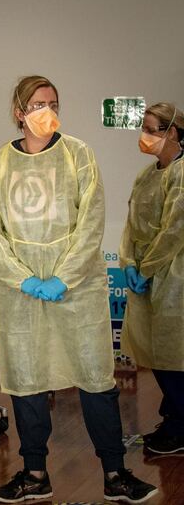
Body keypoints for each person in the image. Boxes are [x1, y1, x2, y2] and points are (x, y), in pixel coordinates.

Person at [0, 76, 157, 503]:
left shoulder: (78, 155)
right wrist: (23, 278)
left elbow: (91, 221)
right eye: (39, 103)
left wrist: (64, 276)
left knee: (95, 378)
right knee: (26, 381)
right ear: (20, 111)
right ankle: (34, 474)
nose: (48, 110)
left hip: (75, 292)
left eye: (54, 102)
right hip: (20, 295)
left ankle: (116, 474)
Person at [119, 102, 184, 456]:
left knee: (175, 355)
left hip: (175, 276)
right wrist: (128, 261)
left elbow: (176, 230)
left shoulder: (182, 172)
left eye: (151, 129)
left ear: (172, 131)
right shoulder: (146, 175)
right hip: (145, 274)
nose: (144, 136)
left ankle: (180, 426)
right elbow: (130, 223)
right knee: (156, 355)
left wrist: (145, 268)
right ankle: (174, 416)